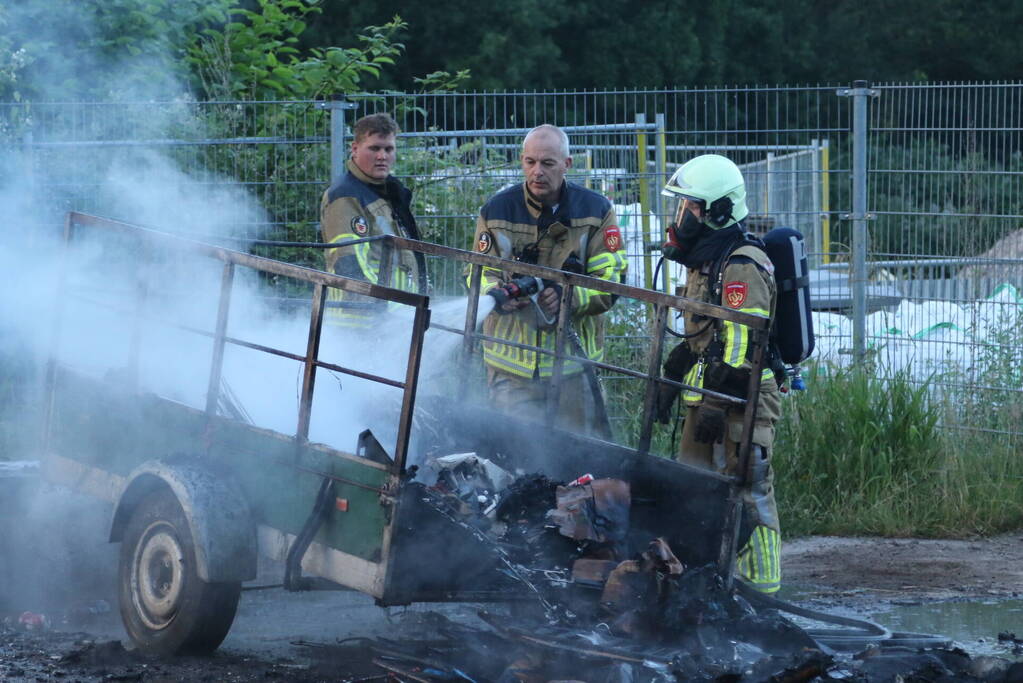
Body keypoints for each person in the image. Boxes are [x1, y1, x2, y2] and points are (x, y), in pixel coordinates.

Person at [654, 154, 783, 594]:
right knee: (692, 488)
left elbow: (743, 347)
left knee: (749, 492)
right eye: (683, 206)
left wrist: (714, 402)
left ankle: (763, 589)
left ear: (720, 210)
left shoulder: (741, 263)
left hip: (744, 400)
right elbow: (705, 335)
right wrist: (673, 376)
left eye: (691, 207)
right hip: (709, 395)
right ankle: (708, 583)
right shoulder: (706, 261)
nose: (682, 216)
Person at [469, 124, 627, 434]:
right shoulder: (496, 211)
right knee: (515, 454)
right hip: (511, 369)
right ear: (522, 161)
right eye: (530, 162)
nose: (537, 171)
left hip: (572, 368)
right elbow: (477, 273)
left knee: (579, 454)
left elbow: (611, 279)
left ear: (567, 164)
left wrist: (568, 298)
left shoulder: (596, 211)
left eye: (547, 163)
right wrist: (497, 294)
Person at [320, 113, 426, 327]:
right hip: (360, 321)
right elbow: (347, 259)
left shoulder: (386, 192)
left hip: (390, 317)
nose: (382, 156)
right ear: (355, 148)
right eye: (374, 148)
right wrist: (380, 307)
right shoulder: (346, 195)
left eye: (389, 149)